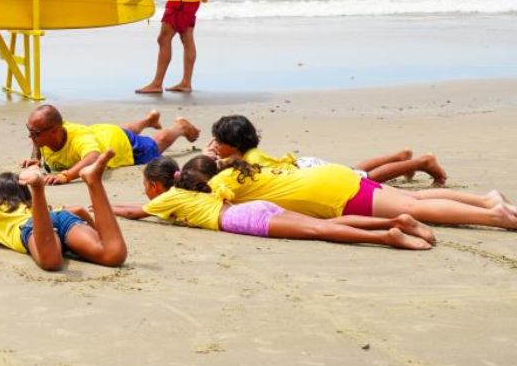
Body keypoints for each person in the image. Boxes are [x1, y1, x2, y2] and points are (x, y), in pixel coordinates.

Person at [109, 156, 434, 249]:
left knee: (321, 231)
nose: (145, 193)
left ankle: (387, 236)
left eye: (145, 186)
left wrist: (105, 207)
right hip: (252, 210)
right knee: (325, 225)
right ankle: (396, 222)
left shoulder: (168, 198)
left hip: (245, 221)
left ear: (155, 184)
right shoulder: (193, 187)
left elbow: (135, 213)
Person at [0, 150, 127, 271]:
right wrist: (97, 235)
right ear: (23, 194)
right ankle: (93, 181)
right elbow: (79, 210)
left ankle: (39, 189)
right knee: (113, 255)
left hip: (32, 227)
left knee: (52, 263)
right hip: (61, 217)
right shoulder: (29, 207)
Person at [196, 154, 517, 231]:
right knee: (414, 199)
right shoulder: (238, 167)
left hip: (331, 194)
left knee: (413, 208)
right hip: (333, 176)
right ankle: (486, 201)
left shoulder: (220, 182)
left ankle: (493, 215)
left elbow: (214, 200)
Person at [208, 114, 457, 188]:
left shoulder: (251, 159)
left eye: (219, 141)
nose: (215, 145)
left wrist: (216, 161)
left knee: (367, 179)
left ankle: (422, 162)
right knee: (354, 170)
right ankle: (400, 156)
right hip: (307, 166)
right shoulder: (243, 154)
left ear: (235, 143)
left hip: (307, 173)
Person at [22, 104, 200, 185]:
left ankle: (180, 128)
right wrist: (35, 159)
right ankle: (148, 120)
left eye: (35, 133)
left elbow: (93, 157)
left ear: (54, 131)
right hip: (103, 132)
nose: (31, 136)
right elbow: (37, 141)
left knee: (155, 145)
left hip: (120, 144)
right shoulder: (44, 134)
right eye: (29, 129)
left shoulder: (79, 139)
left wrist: (66, 175)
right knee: (121, 130)